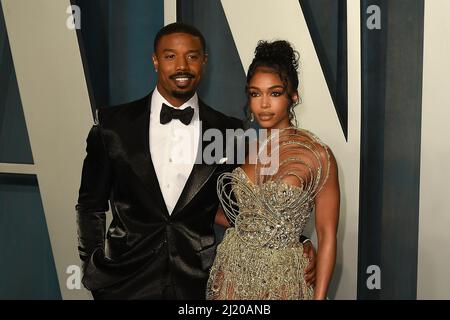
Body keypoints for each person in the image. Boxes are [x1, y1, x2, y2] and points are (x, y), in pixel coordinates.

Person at [76, 22, 316, 300]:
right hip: (125, 281)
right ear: (155, 61)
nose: (182, 66)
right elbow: (89, 205)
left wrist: (297, 240)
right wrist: (92, 269)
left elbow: (244, 207)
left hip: (198, 282)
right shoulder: (112, 125)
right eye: (170, 56)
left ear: (204, 61)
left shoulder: (229, 132)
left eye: (191, 56)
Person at [207, 40, 340, 300]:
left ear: (294, 95)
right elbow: (227, 214)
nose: (264, 104)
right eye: (255, 94)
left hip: (283, 280)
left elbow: (327, 235)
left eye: (275, 93)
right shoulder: (243, 148)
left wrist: (320, 297)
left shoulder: (317, 155)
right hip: (232, 273)